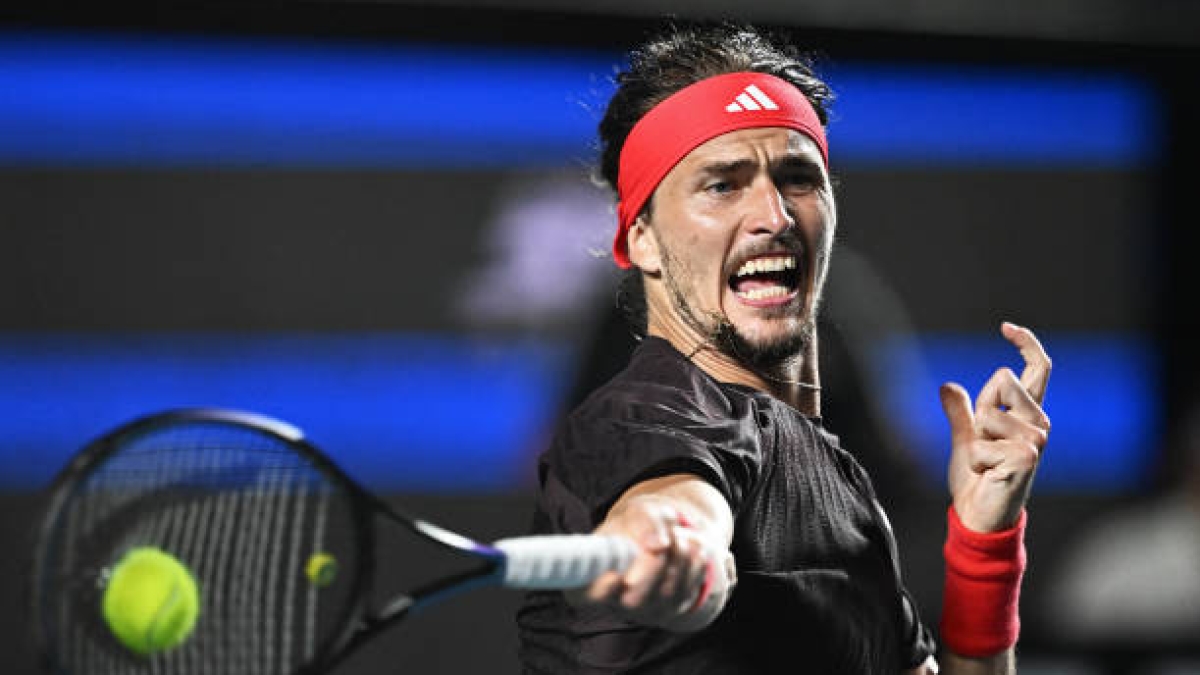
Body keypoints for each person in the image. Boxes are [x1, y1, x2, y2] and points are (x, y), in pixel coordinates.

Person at [517, 24, 1052, 674]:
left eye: (798, 177)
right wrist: (676, 542)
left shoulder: (841, 482)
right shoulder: (639, 418)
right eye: (723, 185)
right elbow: (673, 492)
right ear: (644, 240)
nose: (773, 213)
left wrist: (982, 547)